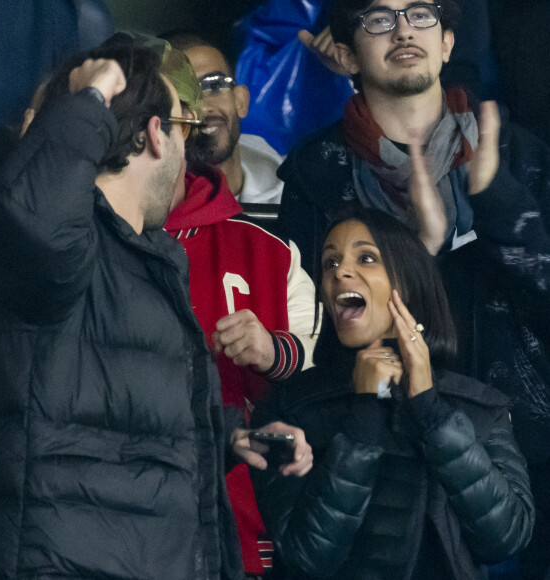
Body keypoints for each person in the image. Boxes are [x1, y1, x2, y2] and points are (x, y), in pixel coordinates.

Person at [277, 1, 550, 576]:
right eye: (379, 18)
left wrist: (498, 203)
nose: (403, 29)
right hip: (377, 463)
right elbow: (315, 331)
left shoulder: (522, 156)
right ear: (347, 53)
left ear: (450, 43)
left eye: (421, 14)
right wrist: (418, 253)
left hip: (522, 460)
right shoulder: (316, 172)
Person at [0, 42, 260, 579]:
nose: (190, 153)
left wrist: (224, 439)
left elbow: (117, 424)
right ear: (154, 133)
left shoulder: (146, 259)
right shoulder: (56, 246)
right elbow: (34, 218)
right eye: (182, 128)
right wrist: (89, 100)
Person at [251, 206, 535, 580]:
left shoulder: (480, 405)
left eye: (365, 258)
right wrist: (366, 409)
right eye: (330, 263)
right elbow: (307, 555)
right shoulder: (285, 408)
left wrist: (430, 408)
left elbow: (506, 537)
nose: (340, 272)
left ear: (408, 284)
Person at [160, 44, 319, 578]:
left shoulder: (269, 249)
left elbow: (324, 378)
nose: (199, 108)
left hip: (250, 535)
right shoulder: (92, 245)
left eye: (213, 85)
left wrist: (273, 352)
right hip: (128, 532)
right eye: (180, 98)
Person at [168, 33, 286, 204]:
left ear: (241, 101)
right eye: (183, 97)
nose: (204, 107)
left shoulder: (293, 189)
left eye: (214, 86)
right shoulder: (148, 214)